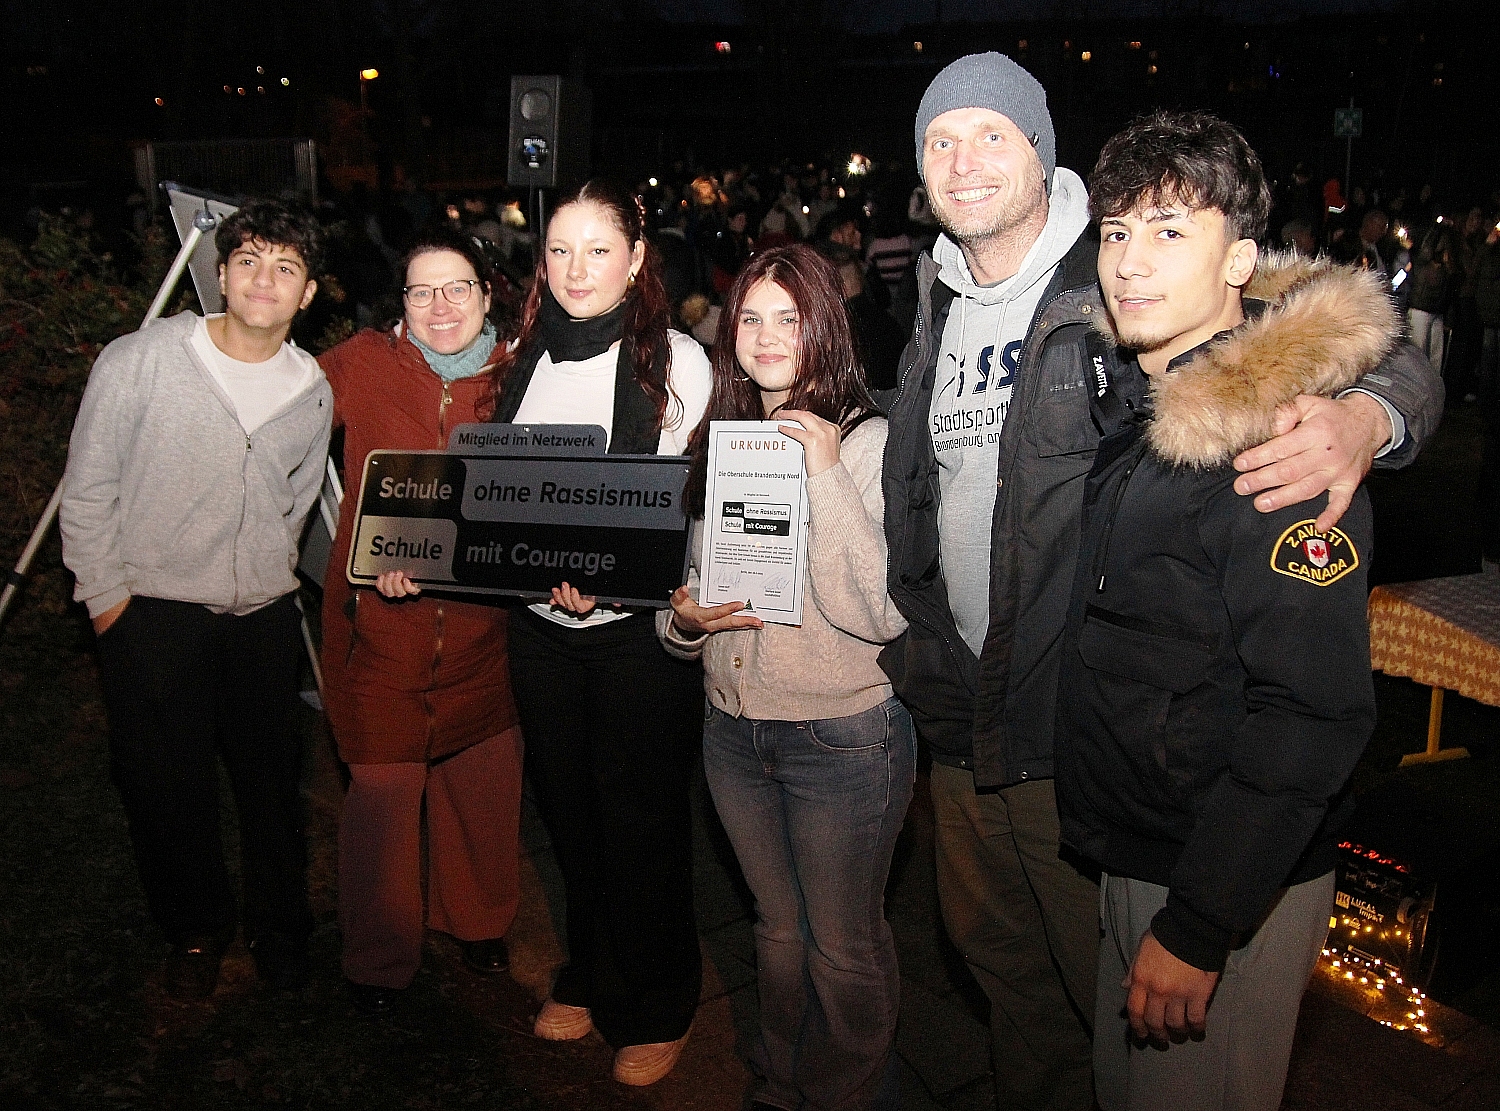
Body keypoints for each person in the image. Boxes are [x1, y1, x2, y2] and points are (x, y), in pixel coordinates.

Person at [880, 52, 1444, 1111]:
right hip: (969, 725)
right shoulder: (936, 295)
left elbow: (1353, 334)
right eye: (939, 140)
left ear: (1044, 154)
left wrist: (1370, 416)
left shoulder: (1115, 283)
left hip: (1083, 743)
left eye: (993, 134)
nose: (964, 161)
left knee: (1148, 1040)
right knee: (1024, 1001)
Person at [1055, 108, 1386, 1111]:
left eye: (1170, 231)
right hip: (1144, 849)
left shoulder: (1278, 445)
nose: (1130, 262)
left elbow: (1313, 712)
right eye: (1117, 231)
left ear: (1240, 260)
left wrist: (1202, 921)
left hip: (1226, 876)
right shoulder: (1146, 404)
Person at [59, 199, 333, 998]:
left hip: (263, 621)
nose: (264, 279)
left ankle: (280, 930)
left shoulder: (312, 388)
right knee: (165, 788)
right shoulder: (140, 360)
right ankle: (195, 927)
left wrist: (269, 570)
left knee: (271, 789)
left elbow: (295, 502)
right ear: (220, 273)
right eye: (248, 260)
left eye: (285, 266)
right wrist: (109, 605)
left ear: (308, 292)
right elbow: (88, 490)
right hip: (152, 616)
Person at [662, 245, 911, 1110]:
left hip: (841, 737)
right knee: (774, 932)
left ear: (825, 327)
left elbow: (879, 612)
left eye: (790, 318)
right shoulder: (721, 440)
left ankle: (844, 1093)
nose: (768, 336)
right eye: (751, 318)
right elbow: (689, 591)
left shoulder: (870, 441)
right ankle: (779, 1077)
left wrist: (826, 471)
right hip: (733, 729)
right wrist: (683, 622)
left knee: (842, 944)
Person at [489, 179, 713, 1086]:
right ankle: (590, 968)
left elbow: (673, 508)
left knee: (641, 819)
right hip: (539, 630)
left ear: (636, 258)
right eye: (559, 250)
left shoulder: (676, 362)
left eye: (597, 249)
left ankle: (661, 999)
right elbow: (500, 489)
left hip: (635, 636)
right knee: (569, 813)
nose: (576, 269)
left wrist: (604, 573)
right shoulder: (521, 358)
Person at [317, 227, 524, 1015]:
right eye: (422, 290)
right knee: (380, 796)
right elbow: (278, 413)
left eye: (457, 287)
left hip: (483, 635)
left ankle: (479, 921)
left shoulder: (521, 376)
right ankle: (378, 955)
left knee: (482, 785)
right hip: (380, 634)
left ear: (486, 294)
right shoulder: (362, 363)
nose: (441, 306)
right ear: (400, 304)